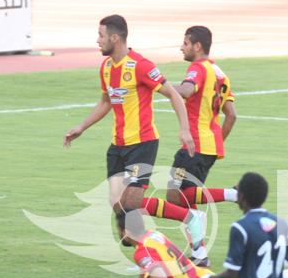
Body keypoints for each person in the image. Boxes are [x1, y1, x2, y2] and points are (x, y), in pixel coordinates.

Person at [63, 15, 200, 230]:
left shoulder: (141, 65)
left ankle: (185, 224)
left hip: (142, 144)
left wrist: (184, 129)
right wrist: (81, 127)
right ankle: (160, 236)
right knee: (117, 203)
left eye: (101, 35)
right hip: (118, 146)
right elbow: (105, 102)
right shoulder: (106, 67)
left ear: (115, 38)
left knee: (132, 204)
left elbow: (174, 94)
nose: (97, 40)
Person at [168, 26, 239, 268]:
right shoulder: (221, 74)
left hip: (193, 146)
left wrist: (157, 84)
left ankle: (232, 194)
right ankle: (199, 254)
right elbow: (231, 115)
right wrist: (217, 141)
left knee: (176, 194)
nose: (181, 47)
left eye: (185, 43)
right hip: (207, 147)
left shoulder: (197, 68)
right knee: (182, 197)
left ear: (197, 46)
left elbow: (186, 91)